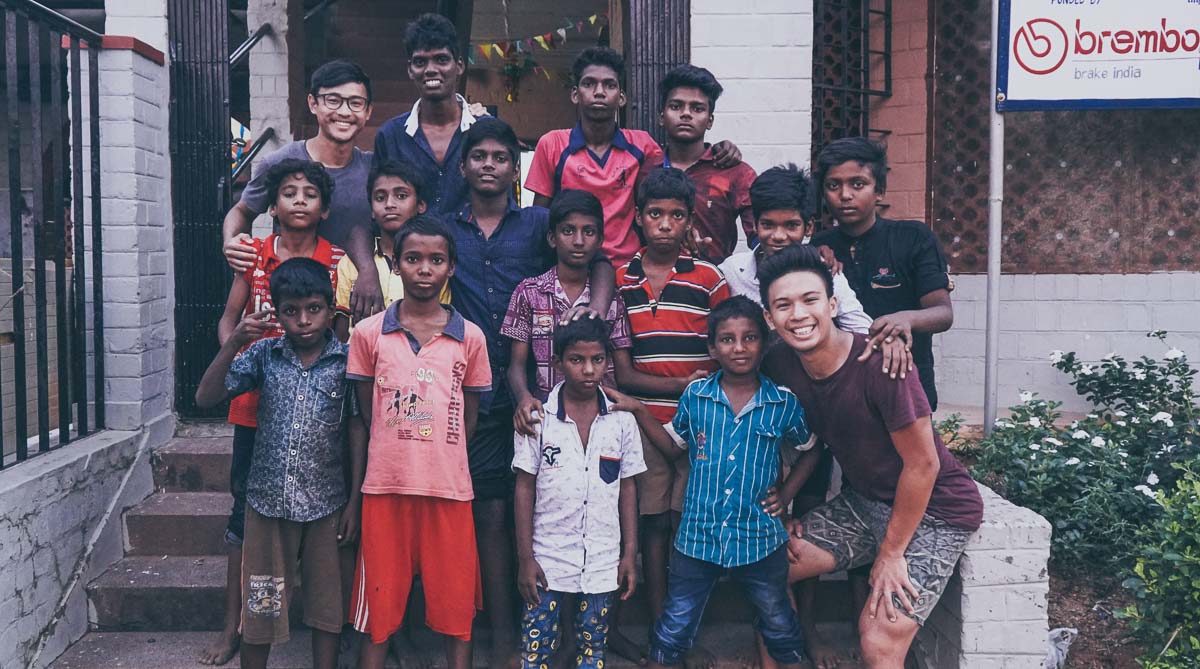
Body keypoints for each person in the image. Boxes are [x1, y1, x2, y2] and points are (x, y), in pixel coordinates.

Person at [758, 245, 983, 669]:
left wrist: (892, 553)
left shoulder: (882, 363)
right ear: (770, 318)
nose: (799, 314)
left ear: (832, 304)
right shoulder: (780, 363)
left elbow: (924, 464)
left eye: (810, 300)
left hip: (936, 511)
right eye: (783, 305)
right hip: (865, 504)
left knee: (879, 637)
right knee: (765, 568)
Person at [444, 117, 616, 669]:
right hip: (482, 388)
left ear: (515, 169)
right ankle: (503, 634)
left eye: (501, 156)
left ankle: (567, 634)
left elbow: (596, 256)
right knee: (497, 511)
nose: (490, 164)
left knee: (570, 510)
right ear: (464, 165)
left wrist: (598, 300)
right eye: (480, 156)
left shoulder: (540, 221)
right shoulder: (444, 228)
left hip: (558, 402)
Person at [202, 159, 344, 667]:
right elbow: (229, 318)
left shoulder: (337, 261)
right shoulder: (254, 255)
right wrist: (240, 358)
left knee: (316, 513)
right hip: (255, 398)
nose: (300, 200)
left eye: (310, 193)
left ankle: (310, 620)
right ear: (273, 204)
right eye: (290, 192)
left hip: (316, 404)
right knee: (245, 516)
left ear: (324, 207)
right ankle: (235, 626)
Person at [195, 257, 364, 669]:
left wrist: (355, 503)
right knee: (262, 608)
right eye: (291, 311)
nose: (303, 320)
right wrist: (235, 341)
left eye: (313, 309)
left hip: (327, 505)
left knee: (327, 609)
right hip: (268, 505)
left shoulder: (347, 363)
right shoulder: (265, 356)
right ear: (277, 312)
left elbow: (358, 433)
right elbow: (205, 398)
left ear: (330, 309)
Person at [347, 215, 492, 669]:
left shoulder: (470, 337)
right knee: (379, 604)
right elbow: (367, 412)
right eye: (413, 259)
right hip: (385, 488)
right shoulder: (369, 333)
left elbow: (469, 417)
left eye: (436, 260)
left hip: (448, 488)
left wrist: (438, 453)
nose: (424, 269)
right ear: (395, 263)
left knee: (455, 606)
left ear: (451, 268)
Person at [641, 295, 815, 669]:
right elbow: (676, 448)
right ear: (712, 347)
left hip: (759, 538)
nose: (739, 348)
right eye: (727, 339)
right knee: (674, 626)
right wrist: (640, 410)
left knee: (780, 624)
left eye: (750, 338)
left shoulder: (781, 403)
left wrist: (787, 493)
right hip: (697, 537)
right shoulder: (697, 396)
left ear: (765, 343)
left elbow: (812, 448)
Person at [614, 167, 731, 663]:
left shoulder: (709, 280)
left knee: (690, 530)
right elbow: (622, 373)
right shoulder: (621, 280)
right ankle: (662, 633)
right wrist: (677, 386)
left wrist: (697, 393)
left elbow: (729, 351)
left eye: (676, 216)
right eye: (655, 214)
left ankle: (683, 630)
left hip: (702, 424)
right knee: (653, 529)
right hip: (644, 425)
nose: (665, 224)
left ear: (689, 223)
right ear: (639, 218)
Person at [512, 318, 650, 669]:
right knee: (536, 646)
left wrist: (629, 554)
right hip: (548, 557)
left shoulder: (622, 421)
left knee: (594, 646)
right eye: (577, 360)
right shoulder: (537, 419)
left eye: (598, 360)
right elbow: (524, 487)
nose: (589, 370)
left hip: (603, 558)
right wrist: (525, 557)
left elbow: (628, 487)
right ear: (557, 363)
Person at [524, 48, 742, 267]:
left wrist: (717, 149)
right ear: (575, 94)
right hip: (573, 267)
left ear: (621, 98)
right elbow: (541, 218)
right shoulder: (552, 144)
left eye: (609, 85)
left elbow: (678, 168)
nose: (599, 92)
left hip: (628, 270)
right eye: (589, 84)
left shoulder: (642, 145)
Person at [220, 60, 383, 328]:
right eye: (333, 100)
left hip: (350, 306)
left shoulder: (374, 170)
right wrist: (231, 242)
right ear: (313, 103)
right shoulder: (282, 163)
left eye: (355, 103)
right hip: (288, 305)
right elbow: (242, 210)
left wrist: (369, 271)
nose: (344, 111)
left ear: (367, 112)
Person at [811, 137, 954, 409]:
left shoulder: (914, 238)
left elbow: (943, 313)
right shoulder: (819, 247)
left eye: (858, 184)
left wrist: (905, 319)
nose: (844, 195)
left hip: (905, 382)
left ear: (880, 191)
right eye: (833, 186)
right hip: (840, 388)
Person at [502, 189, 632, 420]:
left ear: (600, 240)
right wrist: (523, 397)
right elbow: (516, 366)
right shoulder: (529, 293)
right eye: (568, 231)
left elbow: (623, 371)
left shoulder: (613, 298)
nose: (579, 241)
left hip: (604, 418)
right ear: (553, 238)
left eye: (589, 232)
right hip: (547, 417)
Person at [642, 64, 757, 265]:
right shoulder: (646, 170)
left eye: (697, 108)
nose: (686, 114)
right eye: (676, 106)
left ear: (710, 120)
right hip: (654, 284)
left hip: (716, 284)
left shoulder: (735, 172)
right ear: (662, 117)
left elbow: (760, 237)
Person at [373, 13, 484, 217]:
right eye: (420, 62)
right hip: (408, 248)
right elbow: (378, 204)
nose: (430, 70)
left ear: (459, 65)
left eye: (441, 59)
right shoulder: (390, 136)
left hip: (474, 248)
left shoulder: (485, 131)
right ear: (410, 69)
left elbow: (504, 208)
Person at [333, 159, 450, 340]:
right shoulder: (352, 263)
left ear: (420, 206)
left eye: (401, 196)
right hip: (358, 362)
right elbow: (340, 332)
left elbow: (440, 323)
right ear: (371, 209)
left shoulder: (432, 264)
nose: (389, 204)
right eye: (380, 198)